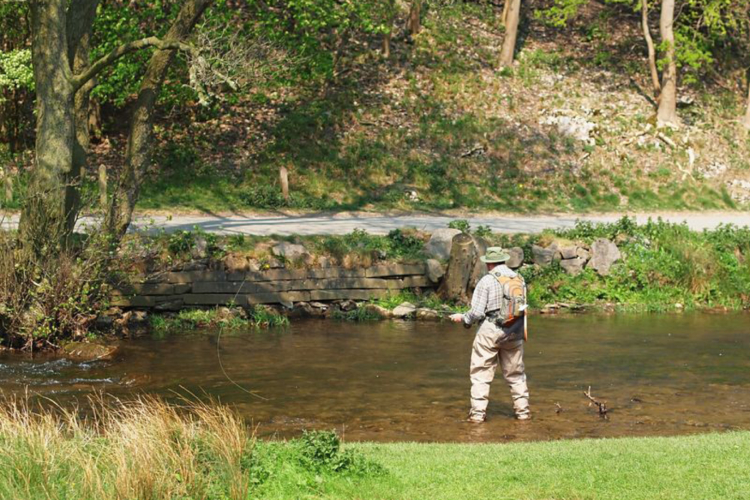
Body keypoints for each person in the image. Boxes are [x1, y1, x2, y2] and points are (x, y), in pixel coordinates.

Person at [450, 247, 530, 423]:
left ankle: (478, 416)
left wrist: (463, 318)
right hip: (514, 331)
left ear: (489, 263)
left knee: (481, 374)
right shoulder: (519, 279)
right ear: (503, 260)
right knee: (516, 374)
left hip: (491, 330)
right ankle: (523, 413)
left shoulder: (486, 280)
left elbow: (477, 313)